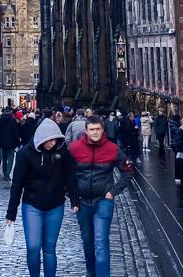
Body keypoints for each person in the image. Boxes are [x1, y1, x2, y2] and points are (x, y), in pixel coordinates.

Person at [5, 118, 79, 277]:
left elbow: (70, 176)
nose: (53, 143)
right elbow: (17, 184)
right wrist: (11, 212)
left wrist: (74, 199)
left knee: (49, 248)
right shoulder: (25, 154)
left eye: (55, 139)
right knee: (33, 246)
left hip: (55, 204)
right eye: (50, 139)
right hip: (32, 205)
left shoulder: (62, 151)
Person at [68, 115, 130, 277]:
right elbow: (65, 174)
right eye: (91, 130)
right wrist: (72, 195)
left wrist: (113, 191)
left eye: (97, 129)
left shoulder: (112, 148)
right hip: (82, 201)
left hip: (103, 200)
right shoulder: (75, 148)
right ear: (86, 131)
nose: (95, 132)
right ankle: (91, 271)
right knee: (87, 241)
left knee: (101, 241)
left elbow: (128, 171)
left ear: (102, 130)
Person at [0, 107, 21, 180]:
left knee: (4, 159)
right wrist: (17, 142)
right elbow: (16, 133)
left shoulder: (0, 121)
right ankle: (7, 174)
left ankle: (4, 173)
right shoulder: (13, 121)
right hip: (11, 143)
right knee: (10, 159)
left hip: (2, 143)